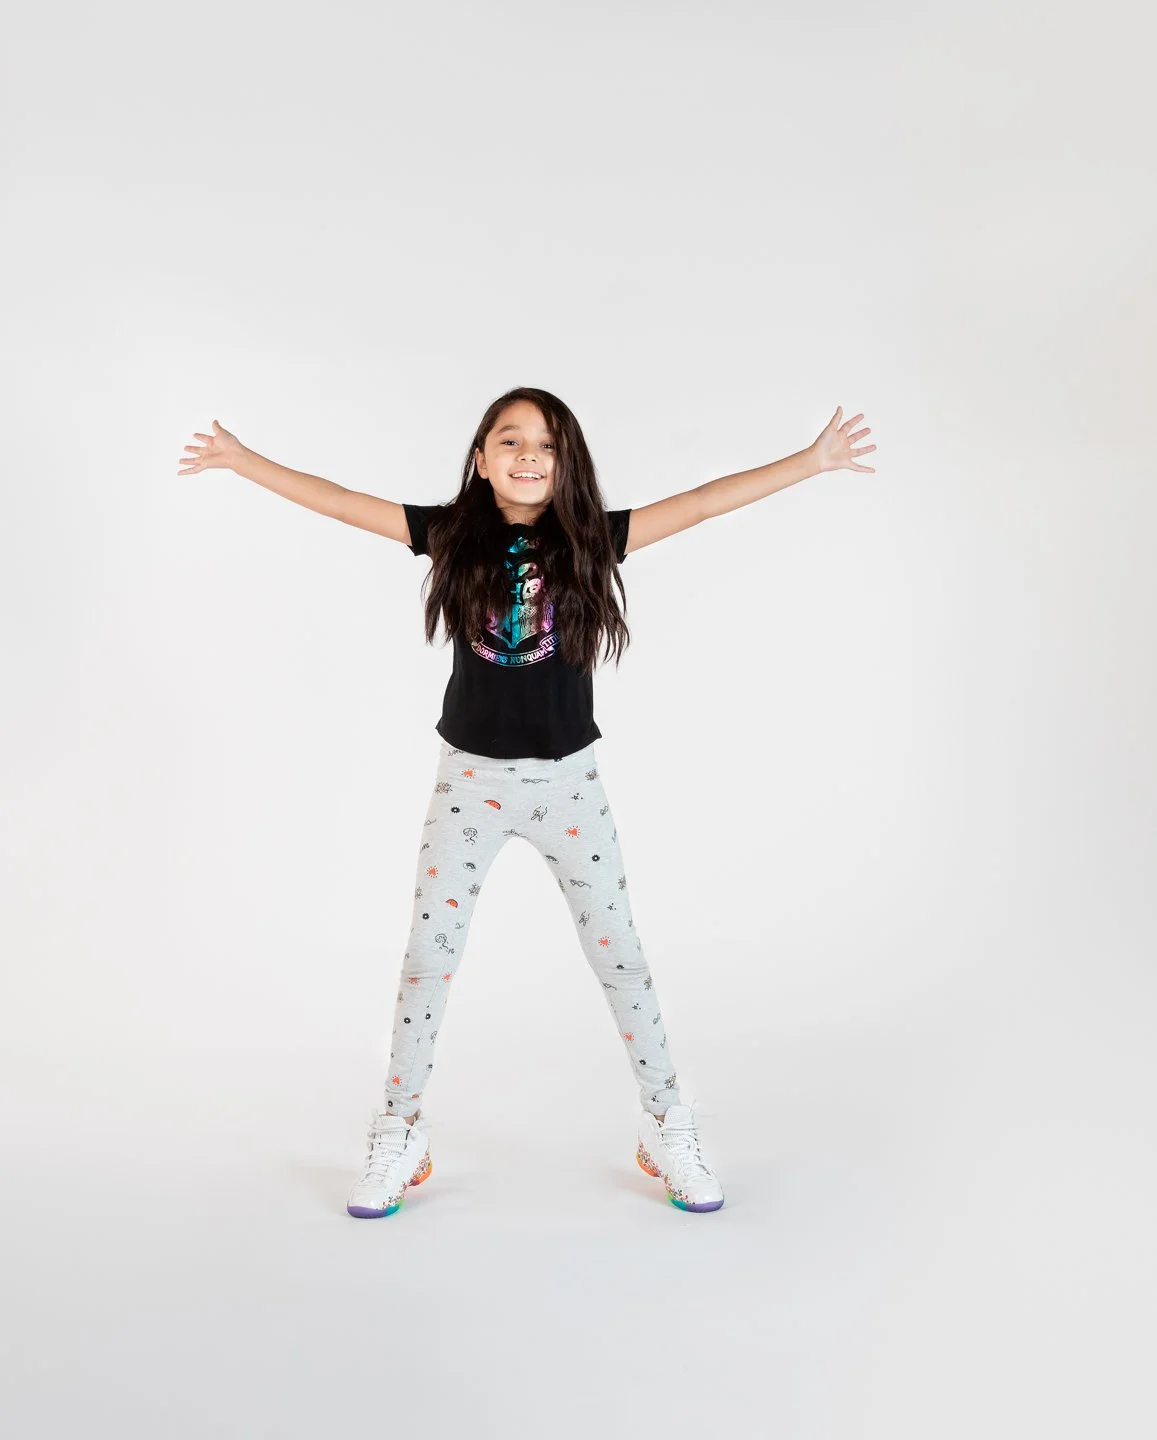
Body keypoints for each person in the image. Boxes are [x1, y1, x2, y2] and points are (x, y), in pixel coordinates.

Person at [177, 387, 876, 1219]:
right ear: (480, 458)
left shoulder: (590, 540)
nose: (527, 455)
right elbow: (340, 503)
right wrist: (241, 458)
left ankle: (666, 1123)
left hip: (567, 785)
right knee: (427, 960)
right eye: (508, 440)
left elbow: (696, 505)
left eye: (544, 444)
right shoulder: (449, 535)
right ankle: (400, 1130)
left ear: (565, 461)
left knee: (620, 957)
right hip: (467, 783)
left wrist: (810, 460)